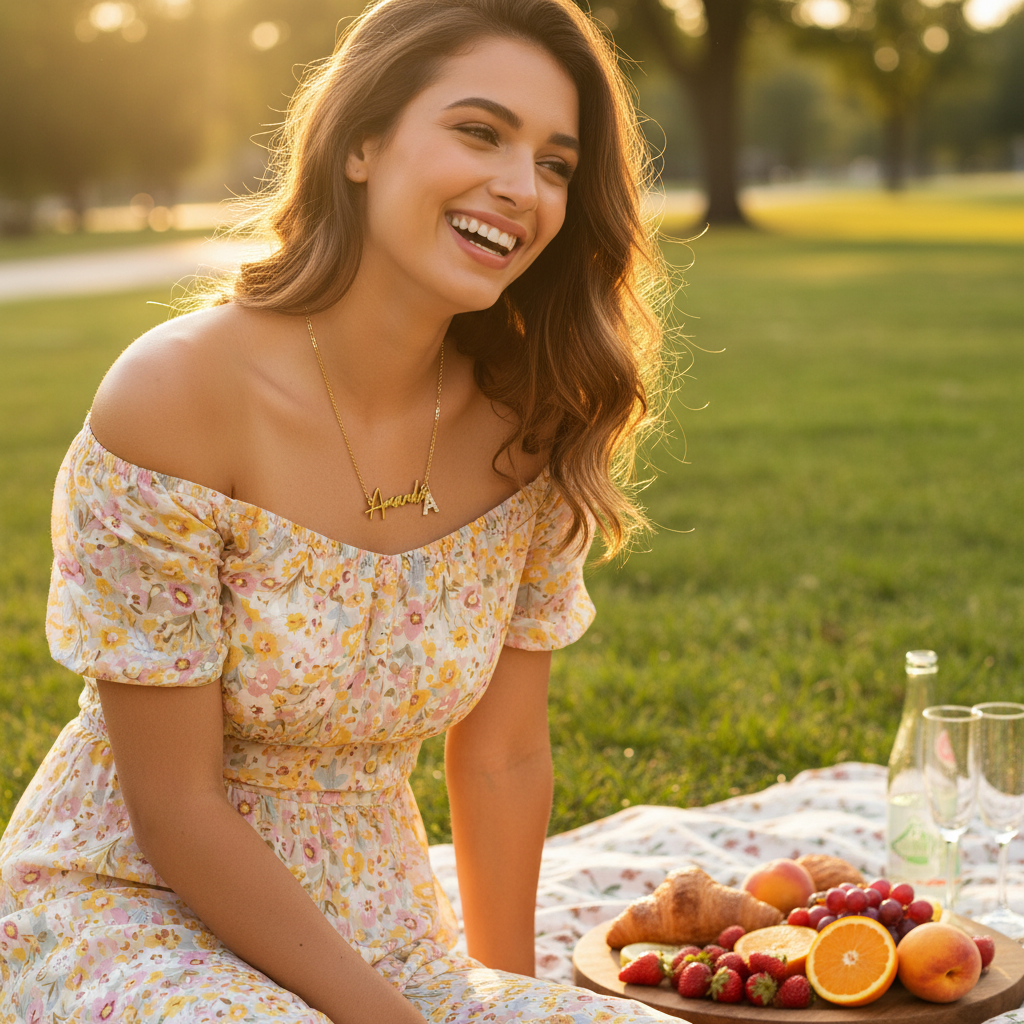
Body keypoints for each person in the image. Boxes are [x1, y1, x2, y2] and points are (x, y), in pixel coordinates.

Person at [0, 0, 675, 1019]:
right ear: (362, 142)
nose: (517, 186)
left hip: (377, 921)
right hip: (128, 908)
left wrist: (501, 997)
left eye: (553, 163)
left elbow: (501, 757)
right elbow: (176, 807)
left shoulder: (532, 424)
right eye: (479, 131)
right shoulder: (177, 397)